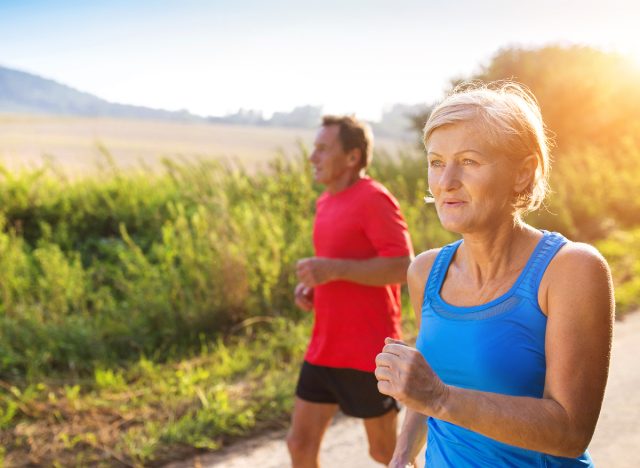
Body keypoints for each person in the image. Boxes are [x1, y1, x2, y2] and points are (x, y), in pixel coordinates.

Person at [374, 82, 614, 467]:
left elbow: (571, 432)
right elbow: (426, 387)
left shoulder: (571, 271)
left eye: (468, 161)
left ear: (523, 173)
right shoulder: (425, 272)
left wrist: (441, 398)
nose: (446, 181)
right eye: (436, 162)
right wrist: (402, 455)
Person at [287, 115, 414, 467]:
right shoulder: (325, 202)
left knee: (386, 454)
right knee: (300, 443)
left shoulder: (374, 199)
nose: (313, 157)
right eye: (314, 149)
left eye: (323, 149)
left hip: (368, 351)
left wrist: (333, 270)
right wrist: (312, 285)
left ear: (352, 157)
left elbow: (404, 265)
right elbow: (338, 267)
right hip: (324, 347)